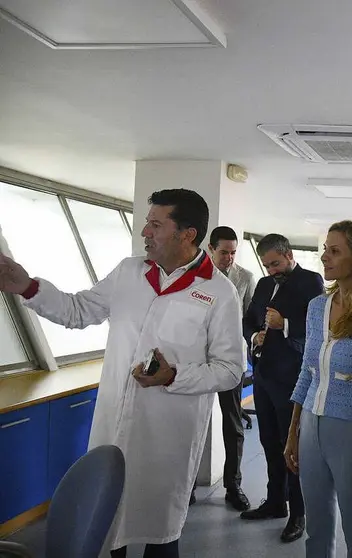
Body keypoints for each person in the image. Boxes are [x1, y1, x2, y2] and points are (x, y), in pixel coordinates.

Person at [0, 189, 244, 558]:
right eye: (147, 222)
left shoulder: (218, 292)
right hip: (113, 426)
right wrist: (27, 287)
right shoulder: (129, 273)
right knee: (105, 527)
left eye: (156, 224)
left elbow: (230, 371)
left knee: (159, 536)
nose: (145, 231)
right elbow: (77, 311)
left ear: (187, 234)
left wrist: (172, 375)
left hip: (167, 437)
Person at [284, 220, 352, 557]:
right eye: (324, 250)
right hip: (311, 427)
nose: (324, 258)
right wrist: (293, 432)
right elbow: (307, 371)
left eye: (335, 251)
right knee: (316, 529)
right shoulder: (317, 307)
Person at [241, 233, 324, 543]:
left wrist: (284, 325)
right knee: (268, 443)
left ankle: (298, 513)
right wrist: (254, 336)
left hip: (291, 378)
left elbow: (318, 326)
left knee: (292, 449)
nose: (272, 270)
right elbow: (248, 320)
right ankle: (276, 502)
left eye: (276, 263)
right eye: (267, 266)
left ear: (289, 255)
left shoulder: (310, 281)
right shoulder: (263, 285)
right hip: (262, 376)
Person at [200, 226, 256, 511]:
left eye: (233, 252)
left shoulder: (245, 278)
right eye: (224, 252)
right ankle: (185, 485)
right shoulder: (194, 276)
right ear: (210, 249)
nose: (229, 258)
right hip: (196, 361)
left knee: (233, 424)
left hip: (231, 360)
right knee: (191, 422)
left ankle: (233, 485)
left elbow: (251, 319)